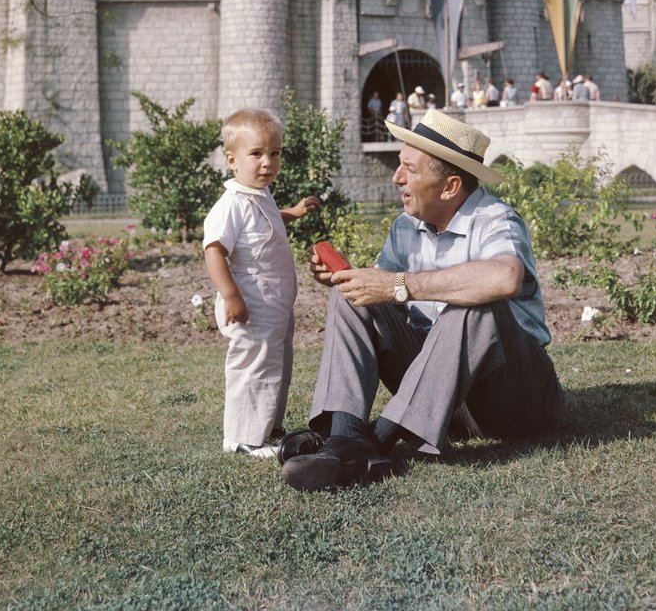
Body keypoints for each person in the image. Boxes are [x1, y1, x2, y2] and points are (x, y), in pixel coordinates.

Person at [279, 109, 563, 492]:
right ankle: (345, 435)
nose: (397, 178)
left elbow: (505, 277)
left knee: (477, 305)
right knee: (351, 300)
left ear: (449, 186)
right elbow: (383, 295)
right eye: (400, 166)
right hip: (444, 402)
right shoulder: (405, 227)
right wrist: (356, 282)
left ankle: (375, 440)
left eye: (410, 169)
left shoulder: (496, 220)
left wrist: (401, 284)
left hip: (513, 401)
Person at [203, 108, 319, 459]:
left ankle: (267, 425)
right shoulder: (231, 204)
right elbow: (214, 251)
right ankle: (242, 438)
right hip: (252, 299)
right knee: (252, 364)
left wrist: (292, 213)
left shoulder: (259, 195)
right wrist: (231, 296)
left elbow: (266, 220)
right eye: (256, 154)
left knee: (276, 364)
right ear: (232, 159)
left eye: (275, 153)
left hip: (275, 302)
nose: (267, 162)